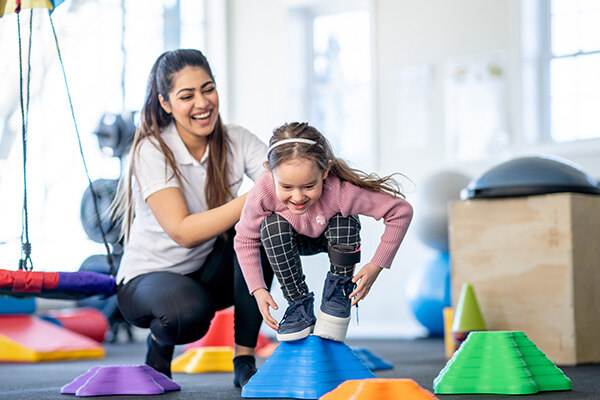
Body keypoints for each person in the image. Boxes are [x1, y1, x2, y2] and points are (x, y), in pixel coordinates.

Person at [114, 49, 273, 388]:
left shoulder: (237, 139)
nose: (202, 102)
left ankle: (245, 360)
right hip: (147, 279)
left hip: (203, 271)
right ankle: (159, 343)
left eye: (208, 88)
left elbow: (282, 177)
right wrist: (258, 194)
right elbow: (183, 232)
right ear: (166, 103)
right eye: (187, 95)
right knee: (189, 315)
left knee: (263, 236)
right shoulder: (152, 149)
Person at [234, 122, 413, 342]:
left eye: (309, 186)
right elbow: (245, 240)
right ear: (271, 173)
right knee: (270, 226)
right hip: (287, 241)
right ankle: (298, 303)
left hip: (332, 238)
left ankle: (338, 294)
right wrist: (258, 290)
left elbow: (400, 211)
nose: (298, 197)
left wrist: (376, 265)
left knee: (345, 218)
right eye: (287, 187)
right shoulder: (262, 192)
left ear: (325, 171)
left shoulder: (340, 191)